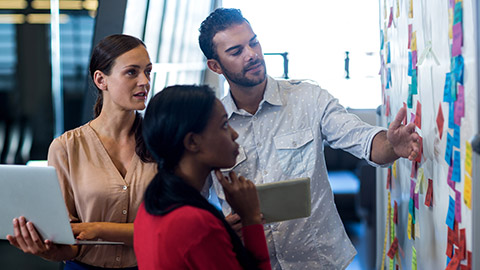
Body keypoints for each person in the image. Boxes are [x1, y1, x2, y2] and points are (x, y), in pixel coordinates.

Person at [198, 8, 420, 270]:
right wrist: (218, 227)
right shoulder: (210, 124)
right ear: (215, 66)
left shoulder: (308, 98)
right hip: (248, 262)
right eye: (236, 52)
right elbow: (192, 201)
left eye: (254, 42)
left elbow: (363, 139)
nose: (252, 55)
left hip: (320, 262)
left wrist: (392, 146)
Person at [6, 34, 157, 269]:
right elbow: (70, 240)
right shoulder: (66, 148)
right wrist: (47, 249)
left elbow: (169, 228)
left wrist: (97, 229)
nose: (144, 81)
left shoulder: (163, 141)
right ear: (101, 80)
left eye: (147, 71)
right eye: (132, 72)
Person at [134, 85, 271, 270]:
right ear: (192, 142)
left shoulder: (151, 205)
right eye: (224, 125)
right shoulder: (195, 223)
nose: (234, 134)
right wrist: (251, 219)